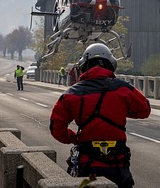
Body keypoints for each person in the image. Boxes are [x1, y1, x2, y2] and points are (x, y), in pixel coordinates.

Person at [49, 43, 150, 187]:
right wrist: (119, 110)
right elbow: (145, 109)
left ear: (84, 66)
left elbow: (56, 129)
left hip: (87, 167)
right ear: (111, 65)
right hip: (118, 166)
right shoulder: (123, 88)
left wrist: (74, 138)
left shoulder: (71, 94)